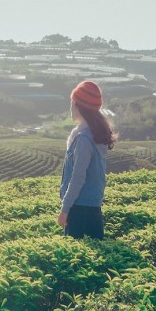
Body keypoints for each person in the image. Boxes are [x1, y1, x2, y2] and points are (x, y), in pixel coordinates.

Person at [58, 81, 116, 239]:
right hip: (92, 206)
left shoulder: (83, 139)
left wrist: (65, 209)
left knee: (75, 258)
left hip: (79, 208)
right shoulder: (94, 134)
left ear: (78, 106)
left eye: (72, 103)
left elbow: (78, 177)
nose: (70, 107)